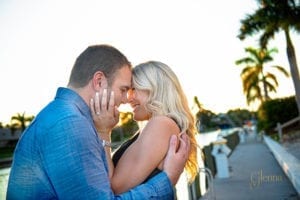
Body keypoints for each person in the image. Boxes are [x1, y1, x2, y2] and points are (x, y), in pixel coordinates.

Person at [6, 45, 190, 199]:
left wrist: (103, 132)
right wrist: (166, 180)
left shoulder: (67, 118)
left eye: (133, 90)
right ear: (99, 81)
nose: (126, 99)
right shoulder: (69, 124)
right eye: (124, 89)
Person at [91, 60, 198, 195]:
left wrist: (103, 131)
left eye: (134, 89)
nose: (129, 99)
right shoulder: (163, 125)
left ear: (155, 88)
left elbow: (115, 187)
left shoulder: (161, 125)